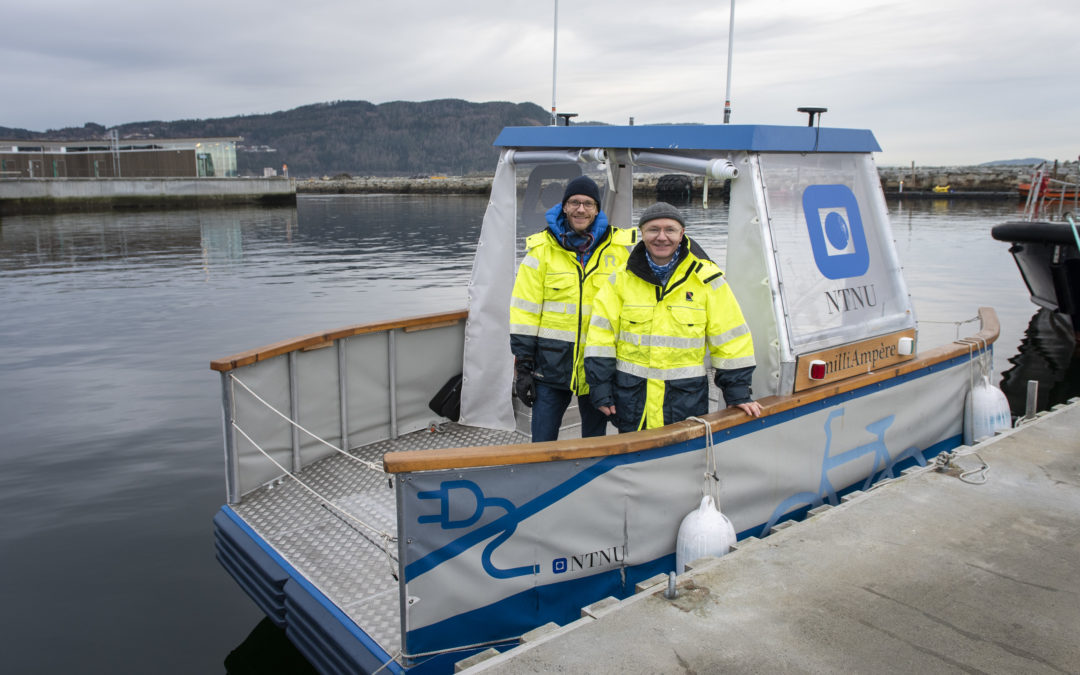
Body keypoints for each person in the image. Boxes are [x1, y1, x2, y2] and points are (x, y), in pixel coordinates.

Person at [585, 201, 763, 433]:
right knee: (635, 465)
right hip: (633, 402)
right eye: (653, 229)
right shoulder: (619, 280)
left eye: (669, 229)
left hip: (685, 402)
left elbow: (731, 340)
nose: (661, 237)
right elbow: (600, 339)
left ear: (682, 234)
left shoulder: (707, 280)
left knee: (684, 465)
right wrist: (600, 387)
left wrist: (738, 392)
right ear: (642, 234)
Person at [509, 175, 638, 442]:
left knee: (594, 441)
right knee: (542, 442)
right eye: (575, 202)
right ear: (565, 207)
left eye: (588, 204)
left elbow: (631, 310)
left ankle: (589, 483)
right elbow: (525, 312)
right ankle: (542, 481)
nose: (581, 209)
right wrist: (523, 367)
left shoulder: (620, 251)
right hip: (550, 368)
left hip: (598, 368)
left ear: (597, 209)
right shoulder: (541, 250)